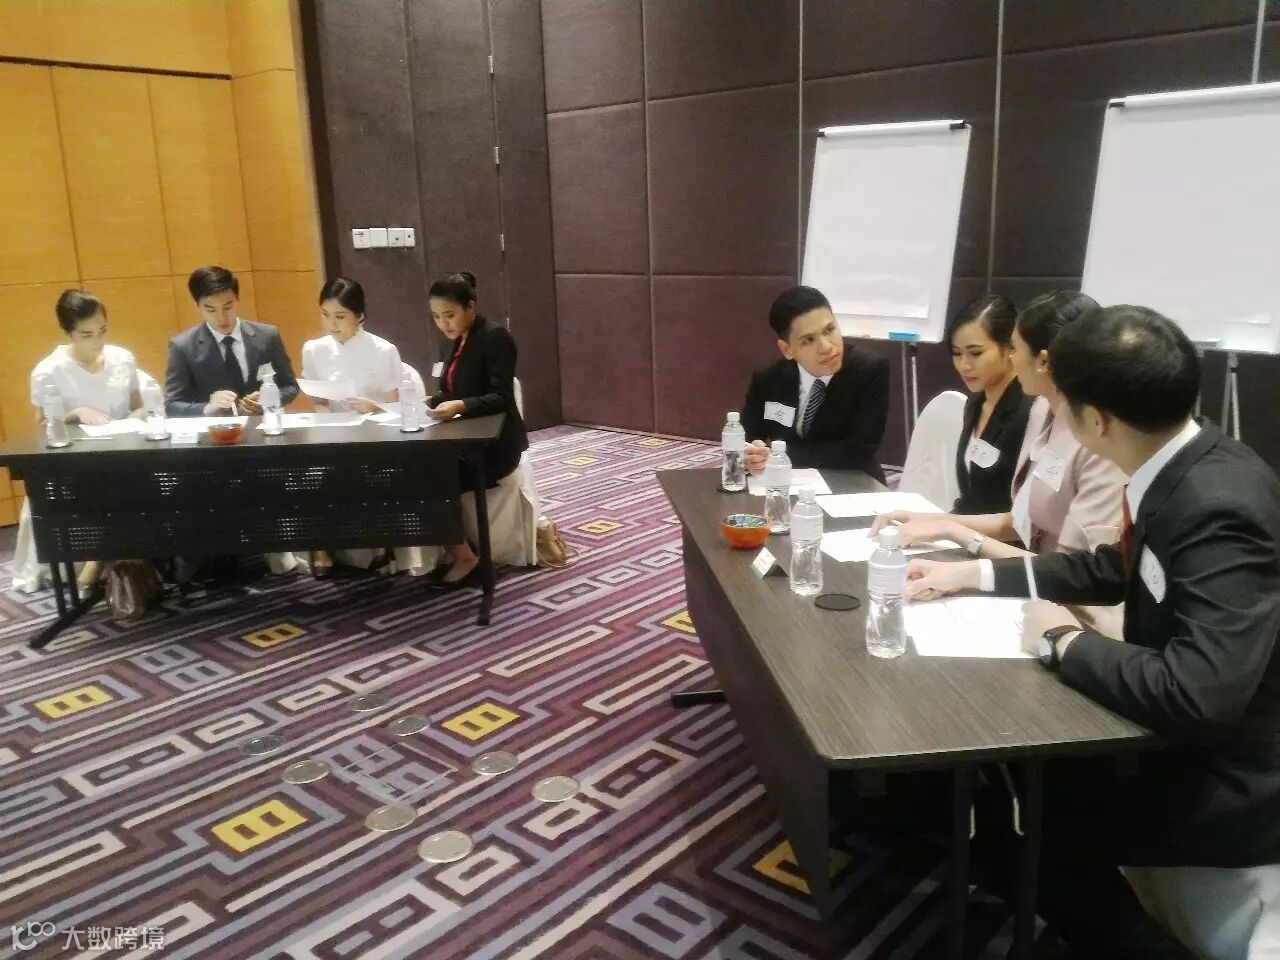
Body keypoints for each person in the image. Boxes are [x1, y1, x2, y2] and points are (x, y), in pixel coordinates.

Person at [907, 305, 1280, 958]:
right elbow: (1111, 569)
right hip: (1171, 731)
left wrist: (1065, 641)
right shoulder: (1180, 460)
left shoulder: (1221, 505)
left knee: (1023, 834)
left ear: (1097, 420)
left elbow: (1200, 695)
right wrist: (976, 576)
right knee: (1010, 784)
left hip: (1229, 780)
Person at [873, 291, 1126, 635]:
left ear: (1043, 361)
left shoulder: (1097, 440)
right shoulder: (1043, 411)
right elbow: (1019, 522)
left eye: (1014, 348)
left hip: (1074, 616)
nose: (1011, 358)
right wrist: (939, 522)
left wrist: (958, 538)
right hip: (1031, 589)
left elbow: (1074, 577)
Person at [299, 278, 434, 578]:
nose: (332, 324)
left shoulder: (383, 350)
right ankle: (321, 547)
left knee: (367, 469)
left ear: (359, 315)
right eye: (325, 315)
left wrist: (371, 406)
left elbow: (396, 406)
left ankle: (380, 540)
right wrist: (325, 411)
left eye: (340, 316)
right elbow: (317, 399)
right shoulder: (313, 349)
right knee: (311, 468)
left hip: (375, 431)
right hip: (333, 430)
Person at [13, 290, 143, 593]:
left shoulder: (122, 358)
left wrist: (133, 420)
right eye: (86, 334)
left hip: (121, 450)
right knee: (100, 487)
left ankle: (126, 557)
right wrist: (74, 414)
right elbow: (42, 427)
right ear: (68, 333)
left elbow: (138, 406)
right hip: (75, 461)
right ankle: (100, 557)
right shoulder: (49, 370)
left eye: (102, 331)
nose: (98, 340)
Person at [424, 272, 537, 586]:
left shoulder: (494, 337)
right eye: (436, 316)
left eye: (449, 315)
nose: (443, 323)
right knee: (418, 469)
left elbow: (500, 397)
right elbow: (454, 389)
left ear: (471, 307)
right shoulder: (459, 339)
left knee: (430, 480)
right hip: (464, 437)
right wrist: (426, 402)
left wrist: (459, 406)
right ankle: (457, 550)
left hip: (495, 444)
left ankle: (466, 557)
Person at [740, 285, 890, 483]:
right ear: (787, 349)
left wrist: (780, 455)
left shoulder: (869, 370)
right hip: (784, 482)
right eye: (809, 340)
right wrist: (752, 454)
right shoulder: (768, 379)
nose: (826, 347)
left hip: (852, 481)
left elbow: (858, 449)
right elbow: (745, 436)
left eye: (829, 330)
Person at [165, 265, 300, 418]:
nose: (221, 317)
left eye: (228, 307)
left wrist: (268, 399)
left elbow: (290, 386)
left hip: (263, 425)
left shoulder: (267, 336)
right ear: (198, 307)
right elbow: (171, 405)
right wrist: (208, 408)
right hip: (215, 430)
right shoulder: (183, 346)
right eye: (211, 310)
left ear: (238, 300)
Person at [948, 293, 1031, 514]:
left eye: (975, 353)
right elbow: (971, 493)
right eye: (956, 353)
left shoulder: (1028, 410)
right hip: (968, 527)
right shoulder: (975, 402)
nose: (964, 365)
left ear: (1010, 347)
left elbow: (1020, 511)